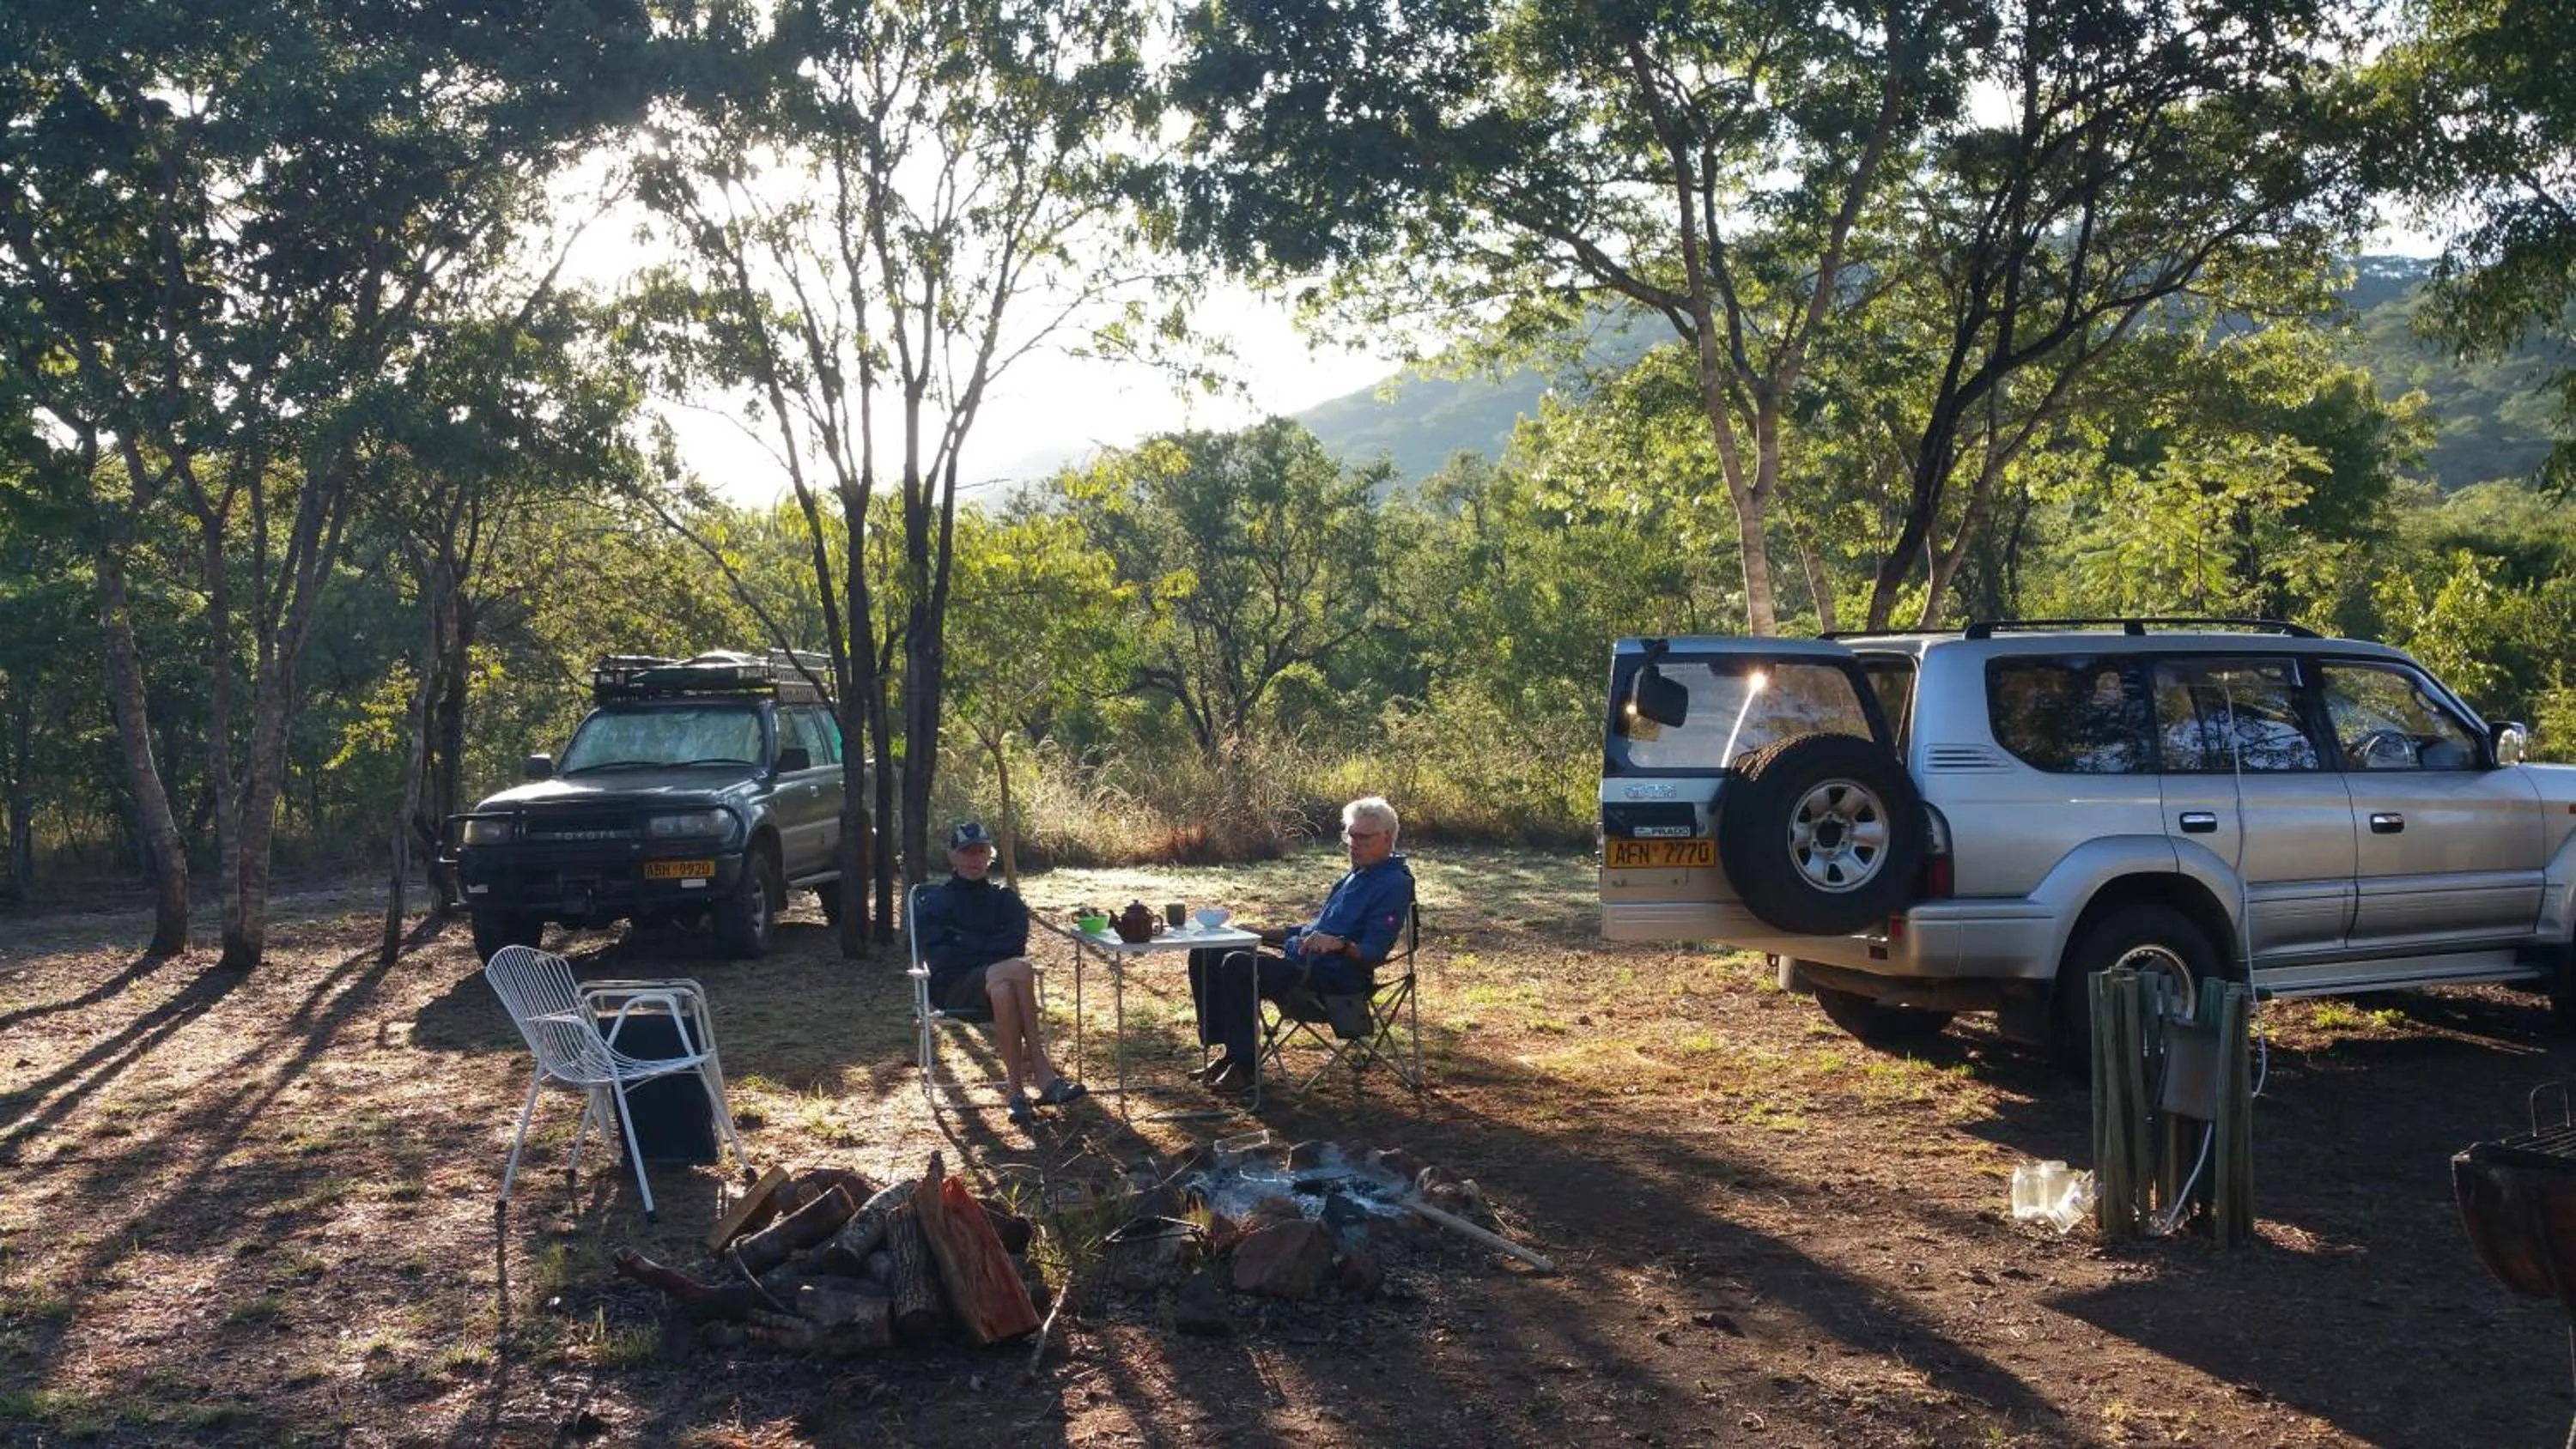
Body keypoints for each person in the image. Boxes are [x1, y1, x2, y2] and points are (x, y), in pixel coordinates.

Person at [1188, 796, 1414, 1094]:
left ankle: (1245, 1066)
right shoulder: (1355, 875)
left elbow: (1372, 953)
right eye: (1351, 835)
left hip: (1334, 980)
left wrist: (1339, 945)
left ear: (1387, 838)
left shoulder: (1394, 883)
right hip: (1302, 962)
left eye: (1364, 838)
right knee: (1208, 951)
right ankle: (1228, 1053)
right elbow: (1315, 930)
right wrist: (1257, 931)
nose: (1354, 844)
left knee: (1239, 965)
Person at [913, 821, 1084, 1125]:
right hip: (954, 986)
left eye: (980, 851)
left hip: (997, 987)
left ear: (989, 856)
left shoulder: (1005, 900)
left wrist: (965, 941)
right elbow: (941, 956)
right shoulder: (936, 902)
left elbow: (1015, 942)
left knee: (1005, 987)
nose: (973, 859)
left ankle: (1016, 1095)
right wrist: (989, 949)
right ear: (953, 857)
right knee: (1020, 969)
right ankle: (1043, 1072)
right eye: (966, 852)